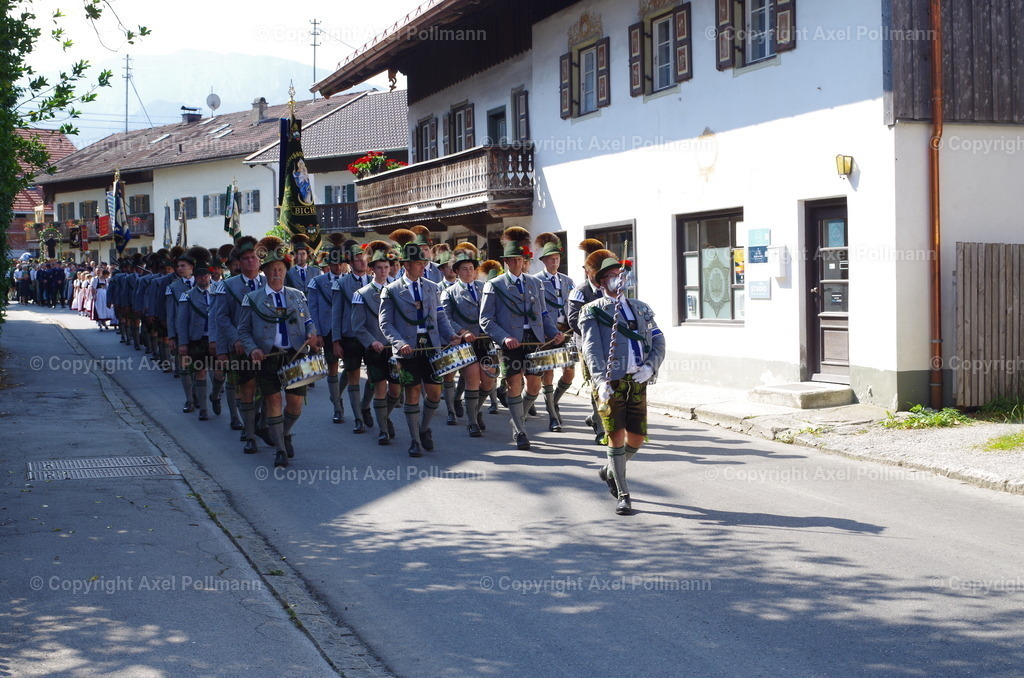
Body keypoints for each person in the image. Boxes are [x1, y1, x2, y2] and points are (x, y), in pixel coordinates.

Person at [578, 251, 666, 516]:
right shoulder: (592, 310)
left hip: (637, 380)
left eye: (620, 275)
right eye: (612, 277)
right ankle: (624, 494)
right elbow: (592, 349)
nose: (618, 280)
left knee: (636, 438)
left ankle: (608, 471)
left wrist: (652, 365)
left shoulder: (640, 307)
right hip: (610, 382)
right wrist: (600, 380)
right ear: (601, 283)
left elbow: (658, 339)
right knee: (615, 438)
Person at [379, 228, 462, 457]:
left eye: (424, 262)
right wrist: (398, 343)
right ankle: (414, 439)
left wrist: (451, 336)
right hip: (407, 349)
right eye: (418, 263)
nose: (423, 266)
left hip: (431, 346)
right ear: (406, 265)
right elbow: (385, 324)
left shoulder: (432, 287)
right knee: (412, 392)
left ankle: (425, 429)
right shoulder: (391, 290)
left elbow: (441, 317)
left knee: (435, 394)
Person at [238, 236, 319, 468]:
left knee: (295, 405)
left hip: (295, 356)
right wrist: (252, 348)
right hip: (267, 357)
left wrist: (311, 333)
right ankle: (281, 451)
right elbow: (243, 330)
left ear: (286, 271)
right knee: (273, 400)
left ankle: (283, 433)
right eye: (272, 269)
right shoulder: (252, 299)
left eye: (281, 269)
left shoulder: (297, 295)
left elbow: (309, 320)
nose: (276, 273)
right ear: (264, 272)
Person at [480, 227, 563, 450]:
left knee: (535, 386)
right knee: (514, 383)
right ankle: (520, 430)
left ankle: (519, 416)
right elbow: (486, 320)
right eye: (512, 260)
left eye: (520, 259)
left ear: (525, 260)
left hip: (533, 340)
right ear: (506, 262)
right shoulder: (494, 285)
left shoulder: (536, 283)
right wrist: (504, 338)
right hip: (510, 343)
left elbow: (544, 315)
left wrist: (553, 332)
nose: (517, 263)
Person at [212, 236, 265, 441]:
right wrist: (233, 341)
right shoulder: (227, 285)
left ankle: (256, 422)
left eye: (253, 257)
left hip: (265, 347)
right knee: (246, 389)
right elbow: (221, 318)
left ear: (260, 260)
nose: (250, 261)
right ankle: (249, 432)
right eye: (245, 258)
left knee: (265, 388)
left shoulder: (268, 282)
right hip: (240, 347)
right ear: (239, 263)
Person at [350, 240, 402, 445]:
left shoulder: (398, 290)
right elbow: (358, 327)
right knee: (379, 387)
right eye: (379, 267)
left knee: (396, 390)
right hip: (375, 348)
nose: (383, 271)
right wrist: (372, 342)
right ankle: (383, 429)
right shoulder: (360, 294)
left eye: (386, 267)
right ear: (372, 269)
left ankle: (384, 416)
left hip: (396, 348)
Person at [440, 243, 494, 437]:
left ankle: (476, 409)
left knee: (489, 380)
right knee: (472, 378)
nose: (469, 272)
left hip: (485, 340)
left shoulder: (485, 287)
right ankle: (472, 421)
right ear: (456, 271)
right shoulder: (449, 292)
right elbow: (446, 318)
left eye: (471, 268)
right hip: (466, 342)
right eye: (464, 269)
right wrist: (462, 332)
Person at [532, 233, 576, 432]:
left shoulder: (567, 281)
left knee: (569, 372)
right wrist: (548, 332)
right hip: (547, 333)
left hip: (566, 331)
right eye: (551, 259)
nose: (555, 262)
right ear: (543, 261)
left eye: (557, 258)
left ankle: (555, 400)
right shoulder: (535, 281)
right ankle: (552, 414)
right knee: (547, 373)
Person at [569, 238, 610, 444]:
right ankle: (602, 428)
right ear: (588, 272)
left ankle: (595, 417)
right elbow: (573, 320)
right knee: (597, 382)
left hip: (611, 345)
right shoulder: (579, 291)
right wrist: (594, 335)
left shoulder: (611, 289)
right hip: (588, 345)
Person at [331, 239, 375, 433]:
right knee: (353, 375)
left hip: (372, 336)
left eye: (364, 258)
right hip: (350, 336)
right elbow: (336, 314)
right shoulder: (341, 284)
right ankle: (358, 417)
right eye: (358, 259)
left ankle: (365, 406)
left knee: (375, 376)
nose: (362, 262)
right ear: (350, 262)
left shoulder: (376, 282)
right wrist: (336, 340)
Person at [307, 233, 348, 424]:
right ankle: (337, 406)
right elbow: (312, 309)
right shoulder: (317, 282)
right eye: (334, 264)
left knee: (351, 367)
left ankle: (336, 394)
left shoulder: (349, 280)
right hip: (328, 329)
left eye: (340, 264)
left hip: (347, 329)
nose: (337, 267)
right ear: (328, 265)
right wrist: (317, 332)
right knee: (332, 367)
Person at [176, 252, 217, 421]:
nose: (203, 278)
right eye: (200, 276)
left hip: (215, 339)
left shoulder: (219, 292)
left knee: (219, 373)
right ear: (195, 277)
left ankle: (215, 396)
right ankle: (203, 408)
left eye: (206, 275)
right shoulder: (188, 296)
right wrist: (183, 343)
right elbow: (182, 322)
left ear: (210, 276)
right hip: (197, 340)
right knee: (200, 372)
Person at [166, 247, 202, 413]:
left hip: (199, 333)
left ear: (191, 268)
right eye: (178, 266)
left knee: (200, 367)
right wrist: (172, 336)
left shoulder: (202, 283)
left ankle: (198, 394)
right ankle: (189, 400)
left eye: (183, 266)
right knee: (185, 368)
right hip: (182, 333)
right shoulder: (173, 287)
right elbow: (170, 313)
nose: (179, 269)